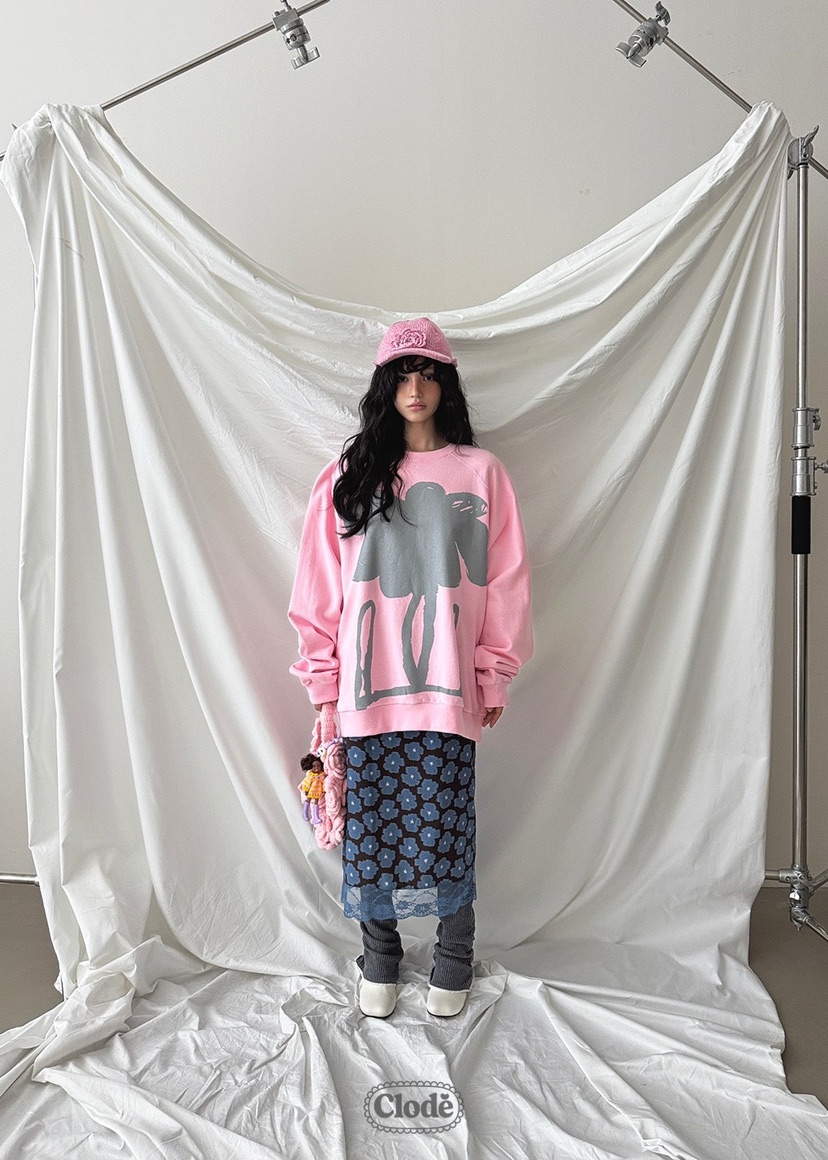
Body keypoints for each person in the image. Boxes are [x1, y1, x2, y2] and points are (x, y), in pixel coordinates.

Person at [288, 317, 533, 1019]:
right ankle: (381, 960)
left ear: (446, 383)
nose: (415, 388)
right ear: (384, 386)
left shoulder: (480, 474)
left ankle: (454, 963)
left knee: (447, 829)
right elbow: (317, 589)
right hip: (365, 694)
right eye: (402, 375)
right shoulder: (349, 475)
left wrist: (493, 671)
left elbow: (506, 582)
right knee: (371, 836)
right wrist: (324, 684)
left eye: (427, 374)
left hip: (449, 689)